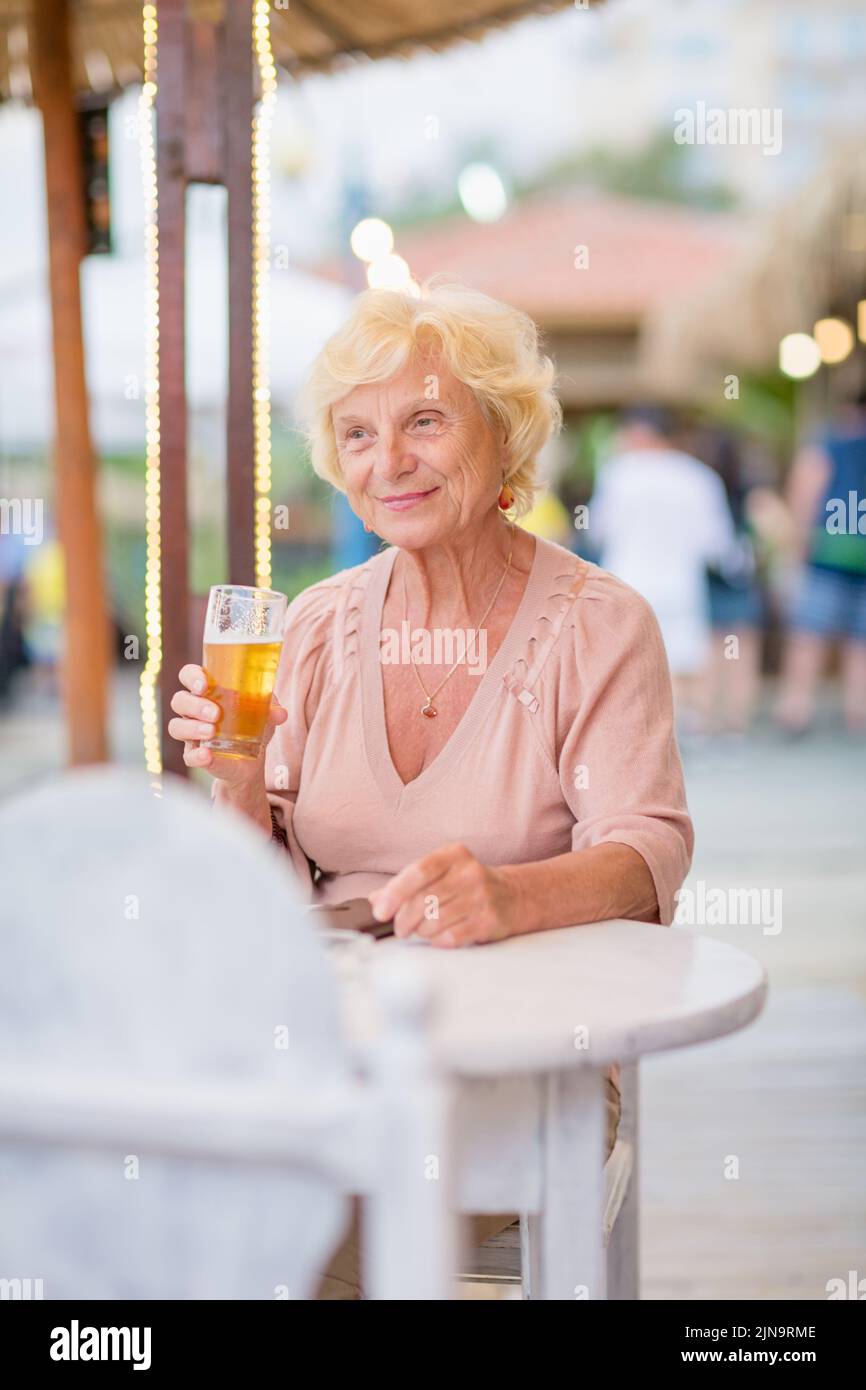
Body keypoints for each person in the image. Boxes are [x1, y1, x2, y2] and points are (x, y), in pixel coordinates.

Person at [167, 278, 694, 1297]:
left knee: (281, 1213)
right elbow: (267, 887)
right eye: (357, 434)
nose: (388, 460)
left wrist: (508, 896)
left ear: (501, 437)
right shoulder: (312, 623)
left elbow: (648, 850)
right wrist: (234, 784)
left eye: (422, 421)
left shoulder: (599, 623)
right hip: (324, 1044)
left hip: (524, 1058)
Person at [589, 407, 740, 728]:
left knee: (628, 660)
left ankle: (635, 728)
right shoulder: (699, 477)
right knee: (683, 659)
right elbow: (717, 544)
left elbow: (597, 530)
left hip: (627, 582)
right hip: (680, 584)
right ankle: (685, 729)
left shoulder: (618, 473)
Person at [776, 388, 866, 735]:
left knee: (809, 633)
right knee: (861, 638)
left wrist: (798, 541)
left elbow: (806, 489)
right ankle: (858, 711)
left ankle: (796, 706)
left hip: (827, 552)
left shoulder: (829, 442)